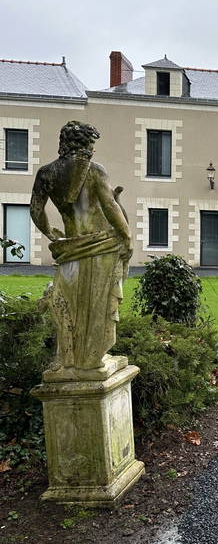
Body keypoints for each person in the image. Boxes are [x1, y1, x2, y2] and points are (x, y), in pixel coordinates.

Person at [30, 121, 132, 381]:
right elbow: (109, 206)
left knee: (70, 307)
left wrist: (51, 233)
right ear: (84, 144)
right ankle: (93, 359)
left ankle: (71, 361)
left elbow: (36, 210)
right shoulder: (95, 171)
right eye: (90, 145)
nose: (92, 150)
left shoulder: (46, 173)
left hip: (69, 248)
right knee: (98, 305)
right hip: (100, 246)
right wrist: (127, 236)